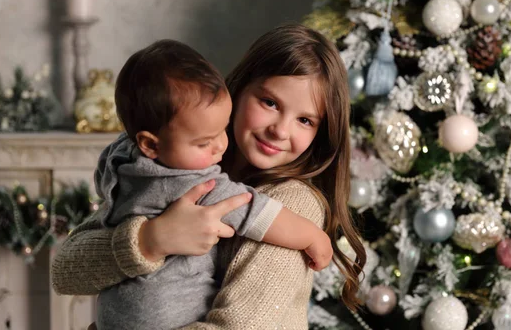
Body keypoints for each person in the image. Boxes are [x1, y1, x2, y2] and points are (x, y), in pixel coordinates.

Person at [52, 23, 367, 329]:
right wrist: (150, 240)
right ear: (239, 89)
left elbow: (238, 326)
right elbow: (64, 270)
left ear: (321, 132)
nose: (280, 130)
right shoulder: (173, 166)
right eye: (270, 102)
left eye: (305, 120)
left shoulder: (293, 204)